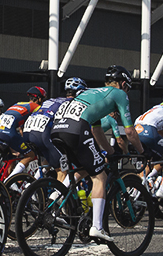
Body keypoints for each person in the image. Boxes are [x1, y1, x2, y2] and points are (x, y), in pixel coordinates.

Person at [48, 65, 144, 243]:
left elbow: (97, 130)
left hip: (57, 129)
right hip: (77, 128)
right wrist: (141, 152)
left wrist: (110, 151)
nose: (127, 92)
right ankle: (97, 227)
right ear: (123, 83)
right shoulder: (119, 94)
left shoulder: (92, 94)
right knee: (100, 176)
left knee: (85, 168)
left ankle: (55, 197)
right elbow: (130, 132)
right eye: (128, 88)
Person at [23, 77, 85, 175]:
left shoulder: (52, 100)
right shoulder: (72, 104)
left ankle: (32, 185)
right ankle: (58, 190)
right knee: (62, 170)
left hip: (28, 131)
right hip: (42, 133)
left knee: (49, 159)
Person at [0, 86, 45, 177]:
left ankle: (9, 184)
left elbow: (20, 127)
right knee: (30, 155)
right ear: (39, 99)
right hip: (8, 133)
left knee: (11, 158)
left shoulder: (18, 104)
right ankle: (10, 180)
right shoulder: (36, 107)